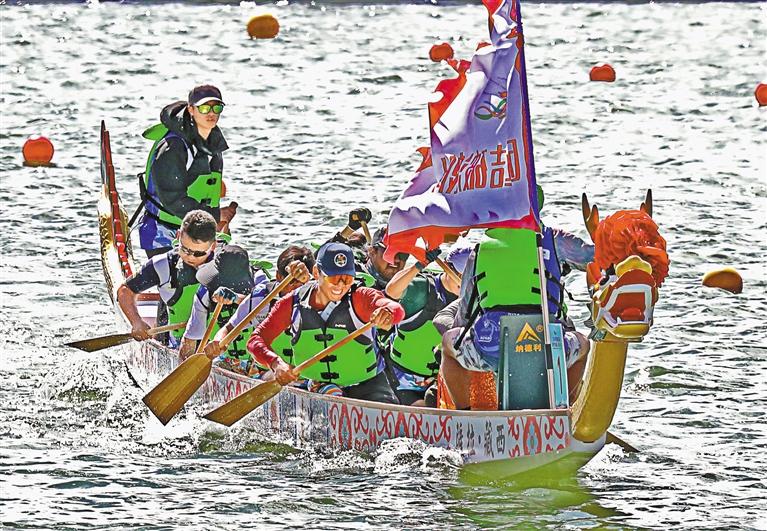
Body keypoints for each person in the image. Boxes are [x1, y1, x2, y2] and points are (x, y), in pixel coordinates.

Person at [439, 222, 592, 410]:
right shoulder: (554, 239)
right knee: (584, 344)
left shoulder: (479, 250)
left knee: (448, 344)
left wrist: (460, 331)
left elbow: (465, 308)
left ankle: (464, 413)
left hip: (491, 348)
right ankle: (565, 411)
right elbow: (594, 258)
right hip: (548, 348)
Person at [247, 242, 405, 403]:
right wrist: (276, 363)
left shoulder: (361, 296)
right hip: (319, 386)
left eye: (347, 278)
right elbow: (256, 340)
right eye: (334, 278)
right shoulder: (292, 303)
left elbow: (396, 309)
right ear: (317, 272)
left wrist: (388, 313)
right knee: (330, 395)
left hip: (369, 384)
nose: (340, 285)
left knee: (390, 409)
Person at [137, 84, 237, 257]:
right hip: (163, 234)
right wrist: (215, 216)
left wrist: (217, 224)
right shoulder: (172, 148)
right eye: (204, 108)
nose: (211, 113)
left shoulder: (213, 141)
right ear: (191, 110)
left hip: (200, 232)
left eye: (217, 107)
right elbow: (172, 198)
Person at [382, 245, 471, 406]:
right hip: (402, 378)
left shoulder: (474, 298)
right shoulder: (422, 289)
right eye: (460, 274)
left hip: (440, 381)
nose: (465, 281)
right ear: (447, 267)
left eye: (471, 276)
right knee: (422, 406)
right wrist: (419, 265)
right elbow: (391, 291)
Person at [202, 247, 314, 373]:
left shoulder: (318, 296)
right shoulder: (260, 297)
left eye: (303, 282)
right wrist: (217, 342)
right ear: (278, 276)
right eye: (292, 282)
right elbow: (228, 328)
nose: (297, 288)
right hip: (269, 371)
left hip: (306, 374)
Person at [117, 210, 217, 344]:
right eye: (185, 249)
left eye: (198, 254)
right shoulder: (162, 264)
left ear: (213, 246)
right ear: (178, 236)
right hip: (177, 341)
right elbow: (125, 290)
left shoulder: (227, 264)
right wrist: (136, 322)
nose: (190, 257)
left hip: (217, 343)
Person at [178, 245, 261, 365]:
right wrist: (184, 368)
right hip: (222, 358)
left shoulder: (260, 281)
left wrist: (236, 298)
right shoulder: (205, 293)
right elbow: (190, 339)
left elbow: (264, 305)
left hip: (259, 359)